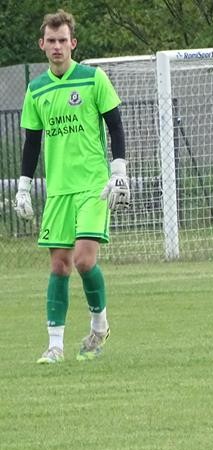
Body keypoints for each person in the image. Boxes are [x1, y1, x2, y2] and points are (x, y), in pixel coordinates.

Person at [14, 9, 130, 364]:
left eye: (62, 40)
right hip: (59, 190)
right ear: (42, 44)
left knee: (82, 260)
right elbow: (32, 142)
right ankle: (55, 346)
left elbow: (115, 125)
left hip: (94, 186)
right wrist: (23, 187)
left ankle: (99, 326)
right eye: (51, 41)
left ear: (73, 43)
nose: (57, 46)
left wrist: (119, 171)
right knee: (59, 266)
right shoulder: (36, 89)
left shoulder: (94, 79)